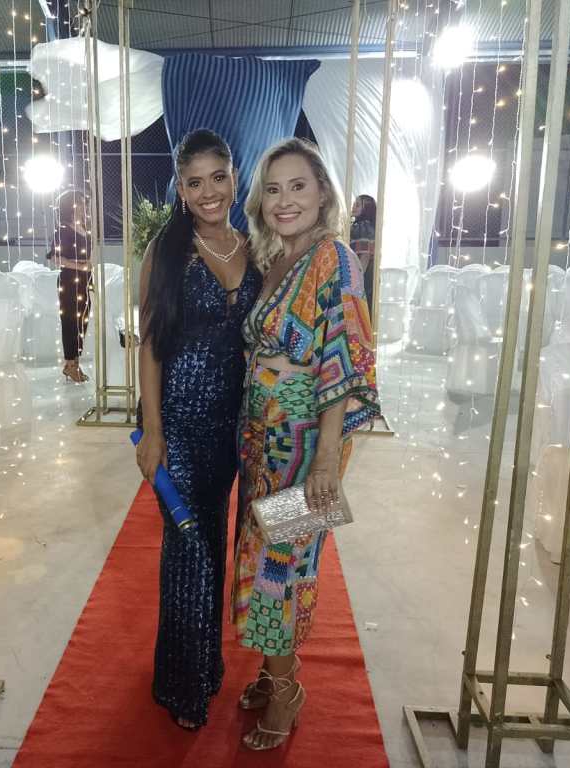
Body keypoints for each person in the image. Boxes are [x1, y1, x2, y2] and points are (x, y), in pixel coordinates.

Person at [232, 138, 379, 750]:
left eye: (298, 186)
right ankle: (274, 671)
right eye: (273, 189)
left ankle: (288, 689)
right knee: (260, 556)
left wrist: (324, 461)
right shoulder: (276, 259)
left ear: (322, 193)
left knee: (283, 566)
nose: (284, 200)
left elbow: (342, 358)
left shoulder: (334, 258)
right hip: (264, 442)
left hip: (304, 444)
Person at [135, 129, 261, 730]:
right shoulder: (167, 253)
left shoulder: (254, 247)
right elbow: (150, 345)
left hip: (235, 427)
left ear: (234, 177)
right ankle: (183, 687)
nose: (209, 192)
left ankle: (204, 666)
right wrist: (152, 430)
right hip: (180, 425)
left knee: (219, 543)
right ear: (180, 189)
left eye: (218, 177)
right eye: (194, 182)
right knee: (189, 552)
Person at [48, 189, 92, 382]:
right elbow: (56, 258)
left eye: (84, 203)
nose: (84, 206)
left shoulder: (84, 229)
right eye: (80, 203)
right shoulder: (63, 230)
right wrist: (80, 266)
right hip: (69, 280)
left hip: (84, 281)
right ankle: (69, 364)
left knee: (82, 320)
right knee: (70, 322)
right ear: (70, 206)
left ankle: (76, 361)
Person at [350, 193, 377, 316]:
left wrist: (356, 281)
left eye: (357, 205)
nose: (353, 207)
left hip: (361, 274)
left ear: (366, 209)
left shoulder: (363, 227)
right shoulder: (364, 226)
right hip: (363, 274)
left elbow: (364, 256)